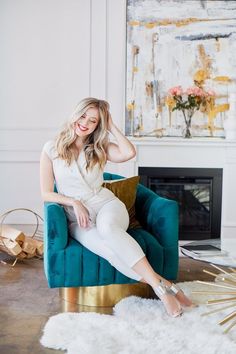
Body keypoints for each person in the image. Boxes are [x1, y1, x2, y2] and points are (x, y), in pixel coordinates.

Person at [40, 97, 194, 318]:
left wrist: (110, 125)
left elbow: (129, 152)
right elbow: (46, 193)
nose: (85, 123)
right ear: (75, 114)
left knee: (109, 230)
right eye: (83, 116)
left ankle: (161, 292)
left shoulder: (99, 147)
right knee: (111, 252)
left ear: (97, 125)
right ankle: (168, 285)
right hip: (77, 218)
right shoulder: (51, 149)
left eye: (93, 121)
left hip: (106, 205)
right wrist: (73, 202)